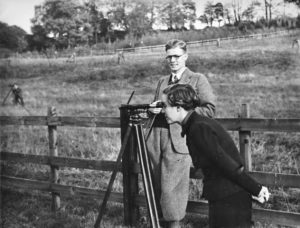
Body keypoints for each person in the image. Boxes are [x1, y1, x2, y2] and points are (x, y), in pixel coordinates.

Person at [161, 84, 270, 228]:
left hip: (230, 199)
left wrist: (256, 189)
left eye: (165, 106)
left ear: (178, 108)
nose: (163, 111)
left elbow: (227, 164)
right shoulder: (196, 124)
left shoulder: (197, 128)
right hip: (226, 194)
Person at [146, 39, 216, 228]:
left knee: (171, 189)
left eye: (177, 56)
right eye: (169, 56)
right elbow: (159, 107)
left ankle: (174, 225)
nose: (173, 60)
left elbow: (209, 110)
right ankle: (158, 223)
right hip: (155, 140)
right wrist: (152, 109)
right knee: (157, 186)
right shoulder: (162, 81)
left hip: (180, 139)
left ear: (185, 56)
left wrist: (180, 111)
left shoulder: (197, 79)